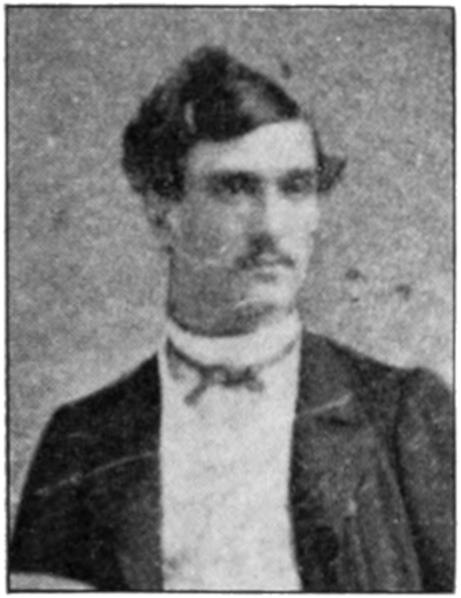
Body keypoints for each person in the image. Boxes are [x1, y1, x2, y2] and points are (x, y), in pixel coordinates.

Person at [10, 46, 454, 591]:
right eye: (235, 188)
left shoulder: (403, 416)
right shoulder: (81, 441)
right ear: (161, 211)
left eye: (296, 187)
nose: (271, 227)